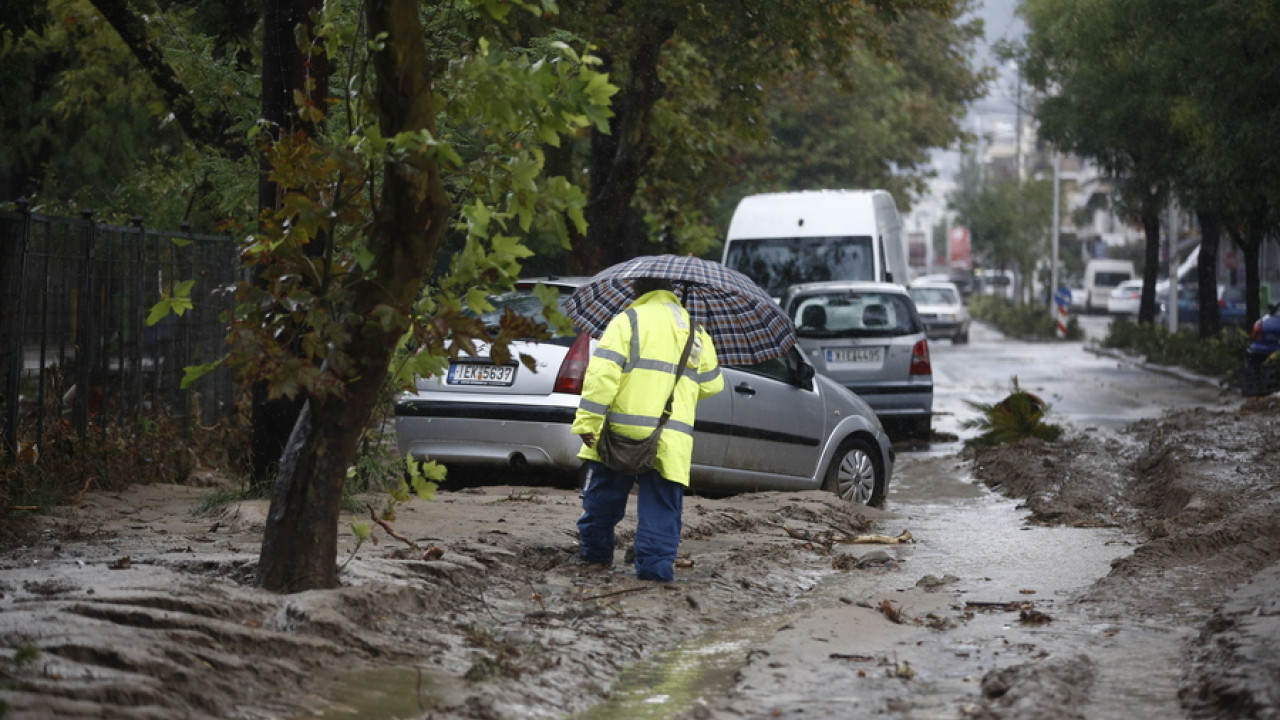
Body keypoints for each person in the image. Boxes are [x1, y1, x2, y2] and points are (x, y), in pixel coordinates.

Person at [570, 277, 723, 581]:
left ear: (637, 290)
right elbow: (713, 384)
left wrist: (588, 421)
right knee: (662, 508)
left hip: (620, 433)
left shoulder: (628, 320)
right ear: (672, 290)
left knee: (603, 498)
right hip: (672, 437)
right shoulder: (696, 332)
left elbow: (602, 376)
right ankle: (655, 572)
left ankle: (595, 558)